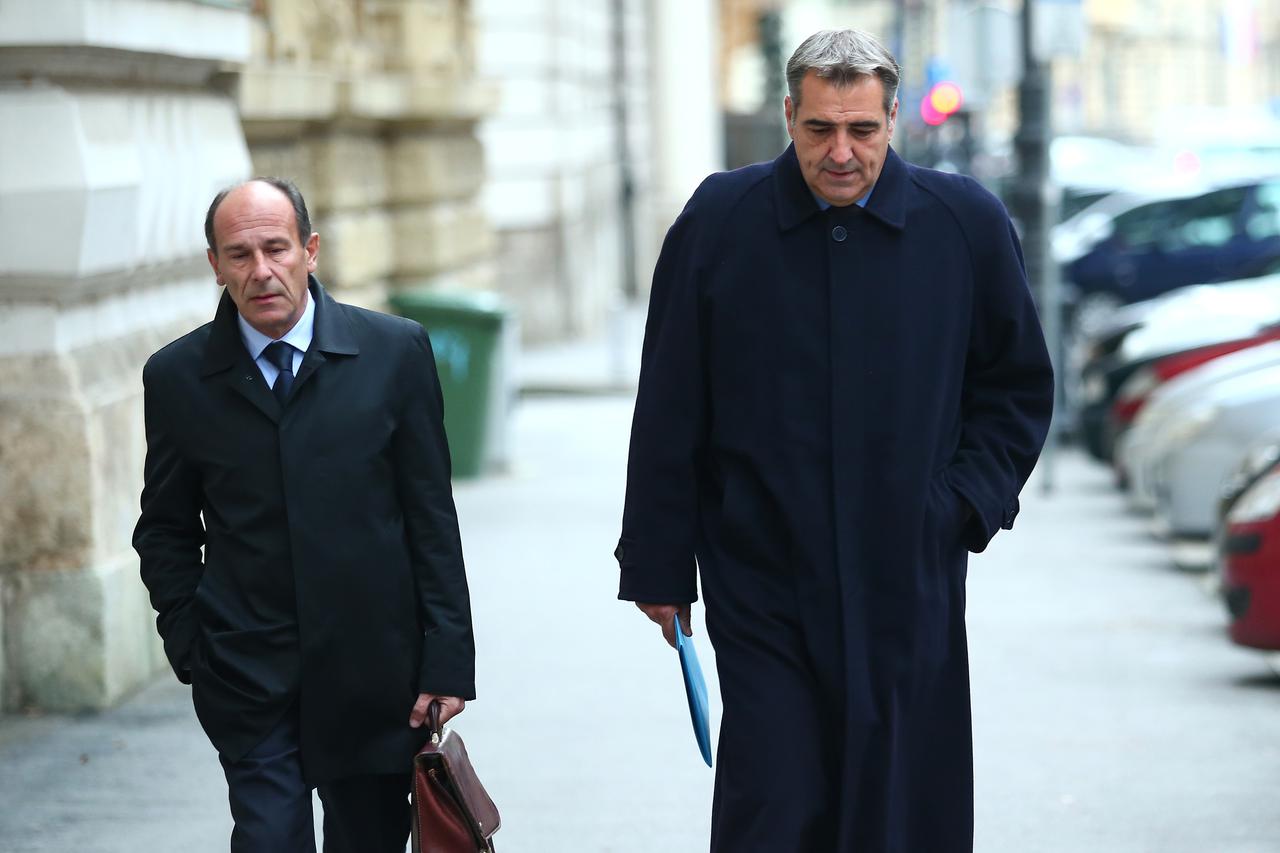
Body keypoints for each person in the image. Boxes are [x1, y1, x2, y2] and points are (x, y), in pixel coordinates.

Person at [616, 29, 1054, 852]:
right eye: (820, 129)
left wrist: (959, 505)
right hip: (761, 577)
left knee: (898, 804)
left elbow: (1016, 386)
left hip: (908, 579)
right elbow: (671, 401)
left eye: (862, 129)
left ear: (894, 119)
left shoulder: (965, 223)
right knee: (774, 804)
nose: (841, 153)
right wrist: (657, 562)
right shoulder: (720, 220)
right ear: (789, 115)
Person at [133, 177, 475, 852]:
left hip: (376, 676)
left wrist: (446, 660)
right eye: (239, 255)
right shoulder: (177, 377)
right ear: (216, 265)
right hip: (246, 675)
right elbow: (165, 528)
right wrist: (193, 644)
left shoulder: (394, 352)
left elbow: (431, 516)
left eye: (276, 248)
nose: (261, 271)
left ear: (310, 251)